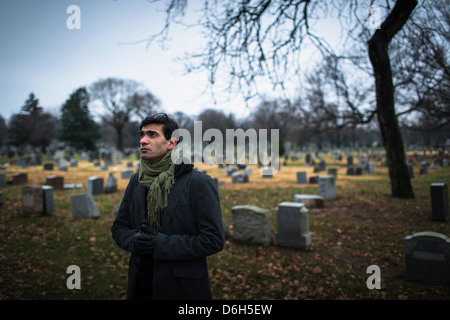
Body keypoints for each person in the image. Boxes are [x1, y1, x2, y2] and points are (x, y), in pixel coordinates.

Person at [111, 112, 225, 300]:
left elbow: (213, 239)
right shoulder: (136, 181)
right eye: (142, 134)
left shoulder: (198, 183)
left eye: (152, 135)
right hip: (141, 284)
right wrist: (135, 240)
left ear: (171, 143)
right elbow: (119, 228)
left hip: (182, 288)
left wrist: (160, 244)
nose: (143, 141)